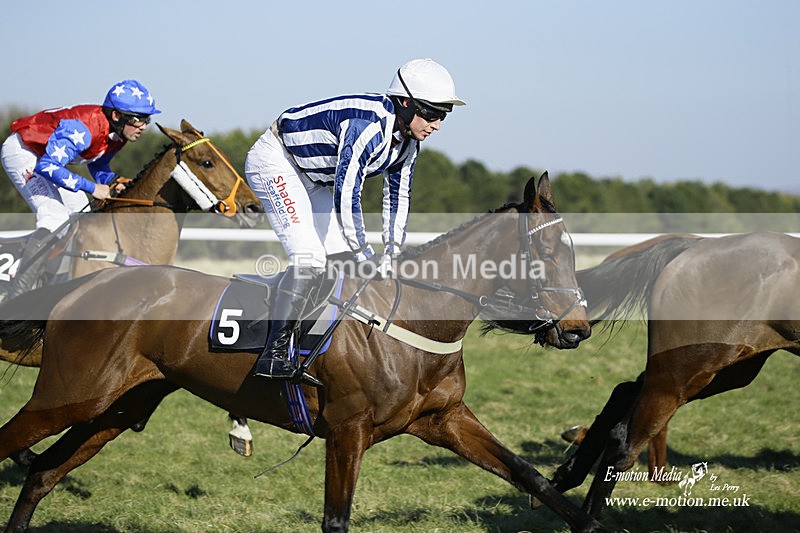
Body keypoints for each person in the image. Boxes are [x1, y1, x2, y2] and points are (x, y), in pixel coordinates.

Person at [245, 58, 465, 383]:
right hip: (277, 162)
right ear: (406, 103)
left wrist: (391, 253)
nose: (437, 125)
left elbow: (398, 199)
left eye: (443, 116)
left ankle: (314, 349)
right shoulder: (367, 126)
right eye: (432, 114)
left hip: (313, 179)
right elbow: (347, 194)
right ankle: (272, 355)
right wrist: (366, 254)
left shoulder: (408, 145)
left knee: (342, 260)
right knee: (310, 258)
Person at [1, 79, 160, 298]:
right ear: (116, 115)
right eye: (138, 119)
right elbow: (47, 166)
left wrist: (112, 181)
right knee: (55, 217)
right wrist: (92, 187)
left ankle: (45, 284)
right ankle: (18, 294)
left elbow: (97, 164)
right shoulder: (83, 129)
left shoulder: (118, 134)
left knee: (79, 210)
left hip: (45, 158)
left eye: (147, 119)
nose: (143, 126)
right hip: (23, 152)